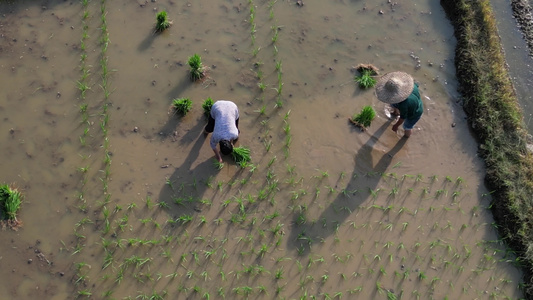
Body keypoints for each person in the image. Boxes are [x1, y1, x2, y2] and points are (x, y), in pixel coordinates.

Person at [375, 71, 423, 138]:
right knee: (393, 104)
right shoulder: (413, 86)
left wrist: (396, 125)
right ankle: (396, 112)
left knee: (407, 126)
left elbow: (402, 118)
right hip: (414, 102)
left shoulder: (404, 105)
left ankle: (406, 136)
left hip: (415, 113)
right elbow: (417, 85)